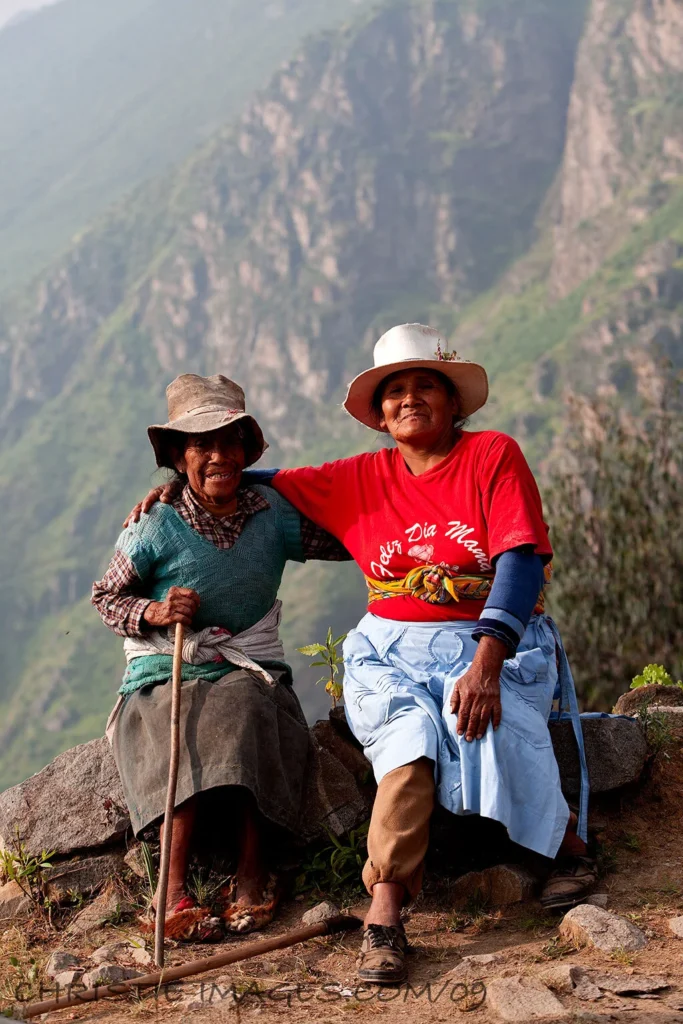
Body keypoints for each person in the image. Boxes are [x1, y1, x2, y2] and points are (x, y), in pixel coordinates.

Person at [130, 324, 594, 981]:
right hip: (391, 647)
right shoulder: (359, 477)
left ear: (453, 402)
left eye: (425, 386)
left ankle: (564, 846)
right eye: (394, 391)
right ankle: (385, 910)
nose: (409, 399)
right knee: (408, 739)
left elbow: (518, 562)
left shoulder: (492, 456)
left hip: (487, 639)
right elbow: (250, 478)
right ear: (379, 415)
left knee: (494, 724)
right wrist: (183, 487)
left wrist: (488, 662)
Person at [93, 373, 349, 940]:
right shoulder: (154, 524)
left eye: (229, 442)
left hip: (245, 666)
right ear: (178, 458)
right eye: (201, 445)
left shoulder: (272, 515)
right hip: (168, 668)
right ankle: (170, 891)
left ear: (246, 450)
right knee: (179, 716)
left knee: (249, 705)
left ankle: (253, 873)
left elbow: (345, 540)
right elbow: (106, 597)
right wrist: (155, 610)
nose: (218, 456)